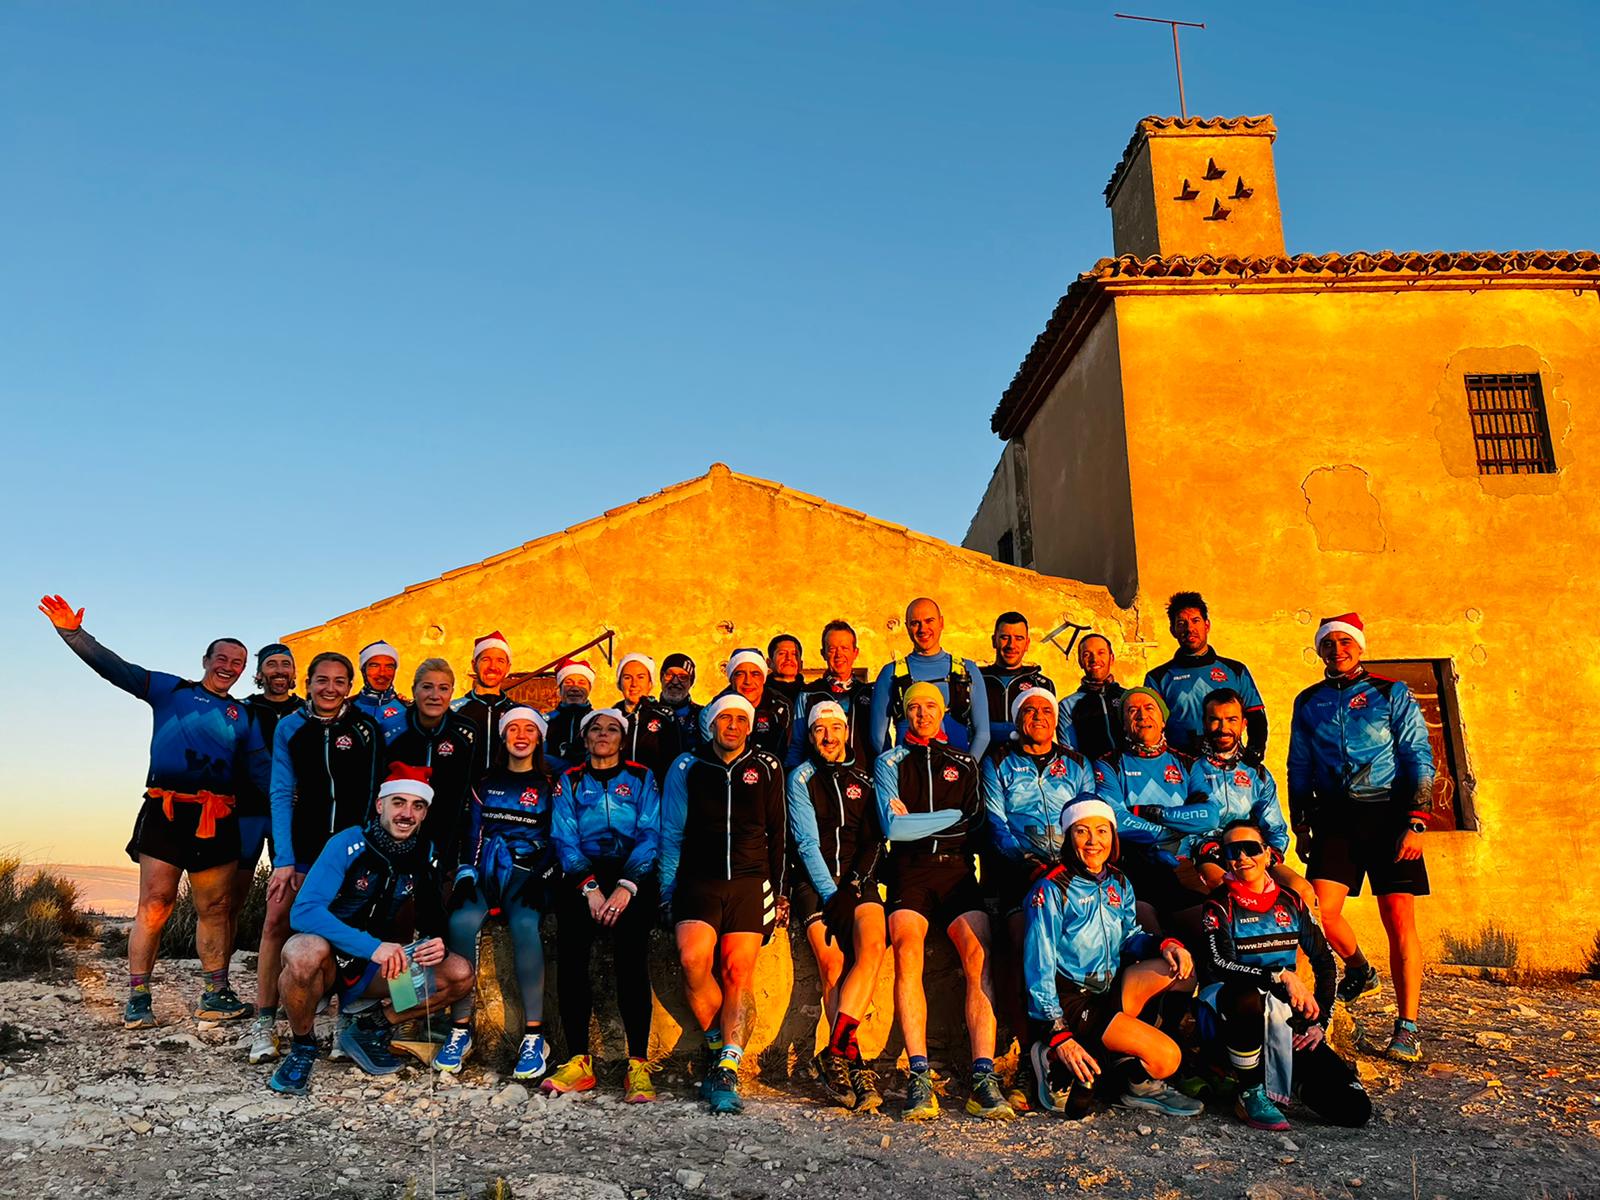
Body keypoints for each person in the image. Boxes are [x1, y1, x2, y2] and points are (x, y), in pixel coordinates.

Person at [39, 594, 267, 1029]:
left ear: (243, 670)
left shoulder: (243, 715)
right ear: (206, 660)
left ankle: (215, 995)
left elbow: (261, 769)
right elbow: (116, 669)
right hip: (166, 811)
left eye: (237, 662)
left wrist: (297, 797)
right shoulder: (170, 690)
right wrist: (73, 633)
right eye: (222, 658)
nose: (228, 666)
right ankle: (138, 998)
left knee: (216, 907)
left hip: (217, 817)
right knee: (156, 904)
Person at [267, 765, 475, 1096]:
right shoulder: (347, 843)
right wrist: (372, 947)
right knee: (302, 952)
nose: (407, 814)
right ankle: (303, 1046)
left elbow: (432, 913)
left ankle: (367, 1027)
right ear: (380, 805)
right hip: (329, 962)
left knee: (459, 974)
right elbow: (303, 912)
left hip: (372, 972)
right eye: (398, 803)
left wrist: (437, 941)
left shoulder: (424, 852)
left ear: (425, 813)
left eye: (417, 806)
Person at [1288, 613, 1434, 1063]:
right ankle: (1360, 969)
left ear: (1360, 646)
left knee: (1398, 917)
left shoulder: (1391, 692)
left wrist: (1417, 820)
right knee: (1318, 911)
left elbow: (1417, 753)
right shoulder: (1308, 701)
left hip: (1390, 814)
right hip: (1334, 816)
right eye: (1328, 643)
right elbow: (1299, 763)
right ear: (1319, 650)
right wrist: (1301, 823)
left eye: (1345, 641)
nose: (1337, 649)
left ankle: (1407, 1027)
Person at [874, 682, 1012, 1122]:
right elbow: (892, 829)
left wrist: (920, 821)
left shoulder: (964, 763)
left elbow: (973, 826)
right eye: (914, 707)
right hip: (909, 871)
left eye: (930, 706)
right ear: (905, 714)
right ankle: (918, 1074)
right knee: (907, 951)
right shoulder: (889, 762)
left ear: (943, 712)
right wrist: (941, 819)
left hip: (956, 871)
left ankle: (983, 1075)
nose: (923, 714)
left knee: (979, 954)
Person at [1022, 798, 1203, 1119]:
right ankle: (1052, 1056)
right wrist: (1057, 1032)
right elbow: (1039, 964)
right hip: (1073, 999)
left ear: (1113, 836)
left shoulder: (1118, 881)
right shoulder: (1051, 888)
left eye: (1102, 831)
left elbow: (1130, 937)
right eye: (1082, 831)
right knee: (1167, 1059)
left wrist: (1166, 944)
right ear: (1068, 836)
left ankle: (1123, 1067)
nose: (1093, 841)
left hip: (1109, 988)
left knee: (1181, 972)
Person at [249, 652, 385, 1065]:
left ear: (350, 686)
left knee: (351, 926)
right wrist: (284, 859)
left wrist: (370, 851)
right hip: (304, 847)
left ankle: (344, 1020)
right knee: (276, 921)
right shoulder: (290, 726)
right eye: (322, 680)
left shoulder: (366, 727)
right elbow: (280, 792)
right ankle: (264, 1023)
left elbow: (374, 794)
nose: (330, 688)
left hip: (352, 849)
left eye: (340, 681)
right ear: (307, 683)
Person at [1196, 819, 1370, 1131]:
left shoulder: (1291, 901)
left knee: (1354, 1109)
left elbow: (1325, 962)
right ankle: (1249, 1091)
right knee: (1246, 997)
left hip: (1285, 1014)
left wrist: (1319, 1022)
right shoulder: (1218, 904)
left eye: (1250, 848)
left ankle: (1279, 1079)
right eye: (1232, 851)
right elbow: (1220, 964)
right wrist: (1279, 975)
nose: (1242, 857)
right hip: (1232, 1011)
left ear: (1267, 854)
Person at [661, 693, 788, 1115]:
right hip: (699, 878)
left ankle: (727, 1069)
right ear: (711, 724)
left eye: (740, 719)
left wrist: (779, 889)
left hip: (750, 880)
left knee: (736, 971)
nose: (732, 725)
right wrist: (666, 889)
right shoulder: (687, 766)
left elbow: (778, 832)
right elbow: (671, 831)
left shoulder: (767, 767)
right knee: (692, 960)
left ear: (749, 726)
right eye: (724, 718)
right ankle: (719, 1047)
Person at [979, 687, 1095, 1111]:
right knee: (1023, 942)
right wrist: (1028, 863)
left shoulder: (1077, 764)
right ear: (1017, 719)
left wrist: (1072, 865)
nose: (1039, 717)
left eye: (1046, 709)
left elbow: (1089, 814)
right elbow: (996, 822)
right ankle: (1032, 1055)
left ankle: (1083, 1049)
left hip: (1074, 873)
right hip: (1020, 873)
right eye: (1029, 711)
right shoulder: (998, 762)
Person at [547, 708, 662, 1103]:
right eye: (595, 729)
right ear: (584, 738)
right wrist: (590, 888)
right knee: (571, 958)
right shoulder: (570, 779)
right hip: (583, 874)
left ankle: (638, 1064)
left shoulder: (642, 777)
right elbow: (563, 836)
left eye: (612, 729)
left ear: (622, 739)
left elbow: (650, 833)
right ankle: (579, 1060)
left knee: (632, 959)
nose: (603, 734)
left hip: (631, 874)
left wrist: (627, 886)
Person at [437, 707, 558, 1079]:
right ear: (503, 737)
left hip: (528, 873)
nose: (521, 736)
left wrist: (542, 876)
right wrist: (467, 875)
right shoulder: (486, 781)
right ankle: (460, 1029)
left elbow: (557, 837)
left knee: (525, 925)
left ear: (539, 737)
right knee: (460, 921)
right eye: (513, 729)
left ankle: (534, 1036)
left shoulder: (551, 782)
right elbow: (473, 835)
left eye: (529, 729)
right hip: (489, 869)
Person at [786, 700, 887, 1112]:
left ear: (847, 731)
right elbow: (807, 843)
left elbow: (874, 839)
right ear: (810, 737)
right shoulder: (800, 778)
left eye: (835, 728)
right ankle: (854, 1063)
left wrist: (854, 886)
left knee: (873, 948)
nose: (828, 737)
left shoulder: (866, 777)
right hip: (815, 883)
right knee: (833, 966)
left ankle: (835, 1052)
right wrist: (832, 895)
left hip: (858, 881)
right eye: (819, 730)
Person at [1091, 688, 1219, 931]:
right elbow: (1115, 818)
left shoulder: (1188, 763)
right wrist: (1171, 831)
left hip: (1181, 865)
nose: (1142, 715)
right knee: (1151, 936)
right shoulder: (1108, 764)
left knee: (1212, 929)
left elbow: (1210, 816)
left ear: (1163, 721)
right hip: (1133, 869)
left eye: (1149, 708)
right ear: (1124, 724)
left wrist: (1152, 813)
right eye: (1132, 711)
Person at [1188, 690, 1315, 911]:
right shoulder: (1188, 768)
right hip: (1210, 852)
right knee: (1227, 888)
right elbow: (1179, 823)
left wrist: (1270, 855)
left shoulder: (1257, 773)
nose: (1223, 728)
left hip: (1252, 851)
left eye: (1231, 720)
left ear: (1243, 723)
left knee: (1302, 891)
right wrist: (1203, 847)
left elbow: (1275, 827)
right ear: (1204, 723)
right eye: (1215, 720)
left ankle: (1308, 936)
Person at [384, 659, 478, 880]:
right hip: (397, 835)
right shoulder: (391, 730)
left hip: (447, 839)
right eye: (427, 687)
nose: (435, 695)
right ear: (414, 690)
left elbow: (470, 790)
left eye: (443, 688)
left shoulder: (466, 732)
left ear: (451, 692)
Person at [1144, 592, 1267, 759]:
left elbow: (1256, 717)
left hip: (1228, 765)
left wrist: (1254, 754)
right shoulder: (1157, 678)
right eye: (1181, 623)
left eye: (1195, 621)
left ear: (1207, 625)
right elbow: (1149, 725)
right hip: (1179, 766)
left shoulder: (1236, 670)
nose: (1190, 629)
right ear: (1173, 630)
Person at [870, 597, 990, 761]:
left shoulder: (967, 670)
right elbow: (878, 736)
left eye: (929, 621)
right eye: (915, 623)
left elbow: (983, 733)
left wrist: (968, 768)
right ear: (907, 627)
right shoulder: (891, 673)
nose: (923, 629)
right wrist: (894, 768)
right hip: (909, 770)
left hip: (956, 769)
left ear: (941, 622)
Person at [238, 644, 299, 946]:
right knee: (230, 897)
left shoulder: (306, 711)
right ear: (260, 673)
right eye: (271, 664)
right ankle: (222, 971)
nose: (279, 670)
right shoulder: (243, 709)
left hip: (291, 814)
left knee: (288, 897)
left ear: (294, 673)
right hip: (246, 811)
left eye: (285, 664)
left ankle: (286, 967)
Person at [788, 620, 876, 769]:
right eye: (832, 649)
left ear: (855, 652)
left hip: (862, 776)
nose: (838, 654)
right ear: (823, 653)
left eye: (845, 648)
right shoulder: (809, 694)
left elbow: (881, 741)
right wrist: (791, 773)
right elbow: (797, 744)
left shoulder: (870, 693)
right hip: (819, 778)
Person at [982, 612, 1056, 747]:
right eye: (1005, 637)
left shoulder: (1041, 685)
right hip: (984, 756)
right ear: (994, 641)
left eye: (1019, 638)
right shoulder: (977, 679)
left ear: (1027, 644)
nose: (1011, 645)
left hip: (1025, 758)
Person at [451, 630, 519, 777]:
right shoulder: (452, 711)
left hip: (504, 789)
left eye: (500, 661)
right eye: (486, 659)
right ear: (474, 664)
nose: (493, 667)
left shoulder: (517, 713)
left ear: (508, 667)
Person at [708, 648, 794, 760]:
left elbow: (785, 751)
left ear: (764, 678)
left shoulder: (781, 707)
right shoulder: (713, 710)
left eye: (755, 674)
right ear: (731, 679)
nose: (748, 681)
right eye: (740, 674)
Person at [613, 653, 683, 783]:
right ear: (619, 683)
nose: (634, 684)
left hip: (654, 790)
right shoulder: (611, 718)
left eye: (640, 677)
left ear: (650, 682)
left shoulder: (665, 716)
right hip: (617, 791)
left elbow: (674, 763)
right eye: (627, 678)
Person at [1057, 634, 1126, 761]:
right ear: (1080, 662)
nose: (1094, 659)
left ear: (1112, 658)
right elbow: (1070, 755)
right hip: (1092, 772)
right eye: (1087, 654)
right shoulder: (1067, 706)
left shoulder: (1128, 698)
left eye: (1101, 653)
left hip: (1130, 771)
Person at [544, 659, 596, 773]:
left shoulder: (598, 721)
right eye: (568, 682)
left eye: (582, 683)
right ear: (560, 688)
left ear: (589, 688)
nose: (575, 688)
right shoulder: (545, 721)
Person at [352, 640, 409, 744]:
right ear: (363, 670)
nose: (382, 673)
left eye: (389, 667)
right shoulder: (346, 709)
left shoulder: (409, 710)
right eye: (374, 666)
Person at [660, 653, 701, 748]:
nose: (675, 681)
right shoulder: (647, 714)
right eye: (669, 675)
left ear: (691, 682)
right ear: (661, 677)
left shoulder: (701, 716)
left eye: (683, 677)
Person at [766, 634, 806, 705]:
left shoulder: (811, 694)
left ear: (801, 664)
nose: (789, 658)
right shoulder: (760, 695)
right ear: (769, 662)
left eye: (794, 654)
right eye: (782, 653)